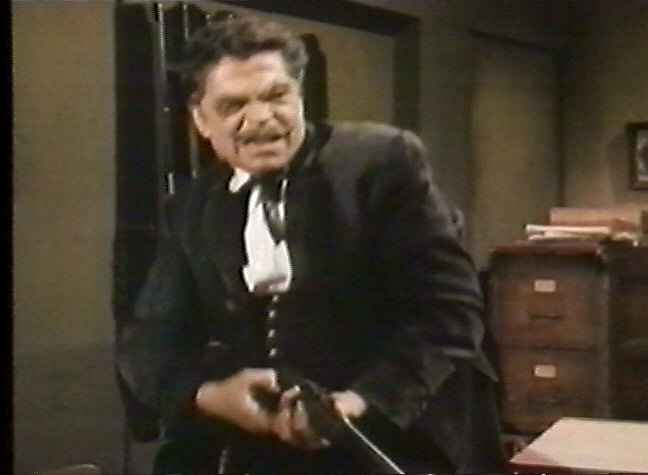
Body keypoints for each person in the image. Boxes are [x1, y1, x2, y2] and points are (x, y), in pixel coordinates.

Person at [116, 14, 505, 474]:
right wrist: (210, 395)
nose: (261, 118)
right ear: (201, 120)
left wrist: (355, 404)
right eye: (233, 105)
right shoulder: (192, 206)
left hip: (399, 429)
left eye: (276, 96)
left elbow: (450, 314)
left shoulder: (381, 161)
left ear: (299, 96)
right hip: (273, 441)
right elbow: (152, 335)